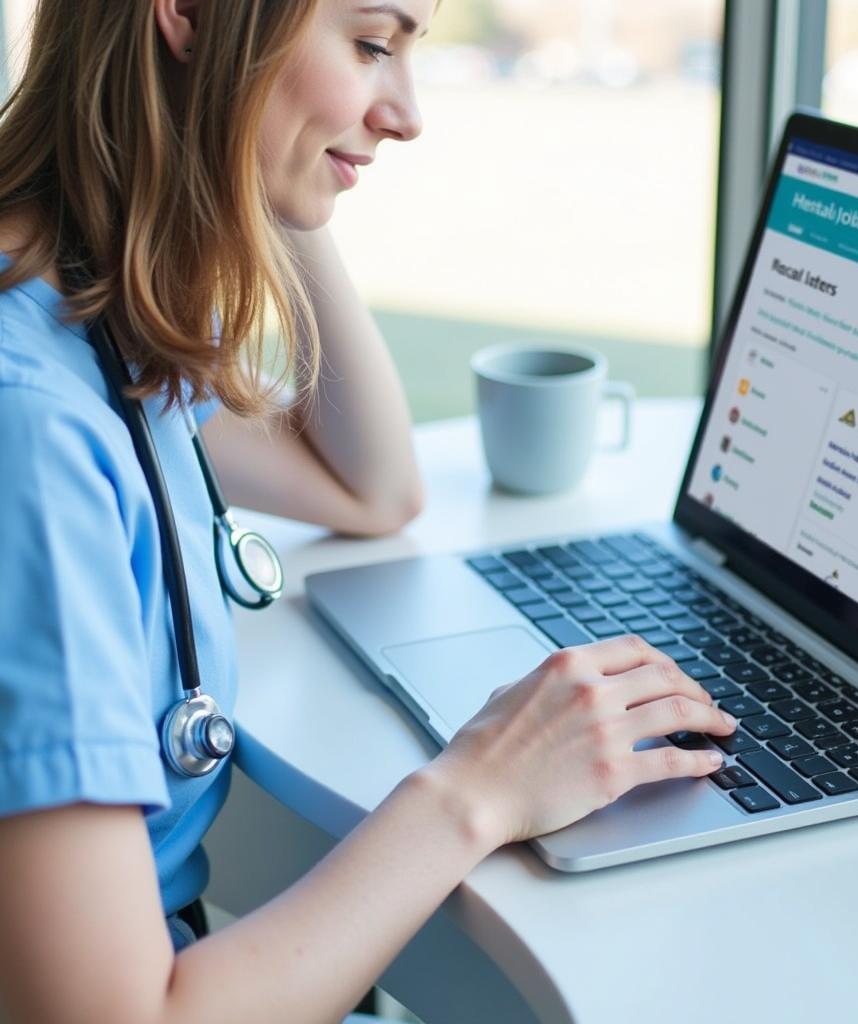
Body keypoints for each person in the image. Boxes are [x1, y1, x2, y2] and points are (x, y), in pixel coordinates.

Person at [0, 2, 738, 1021]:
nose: (407, 114)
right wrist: (477, 788)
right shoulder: (29, 431)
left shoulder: (88, 296)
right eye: (369, 45)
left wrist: (261, 166)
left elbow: (370, 486)